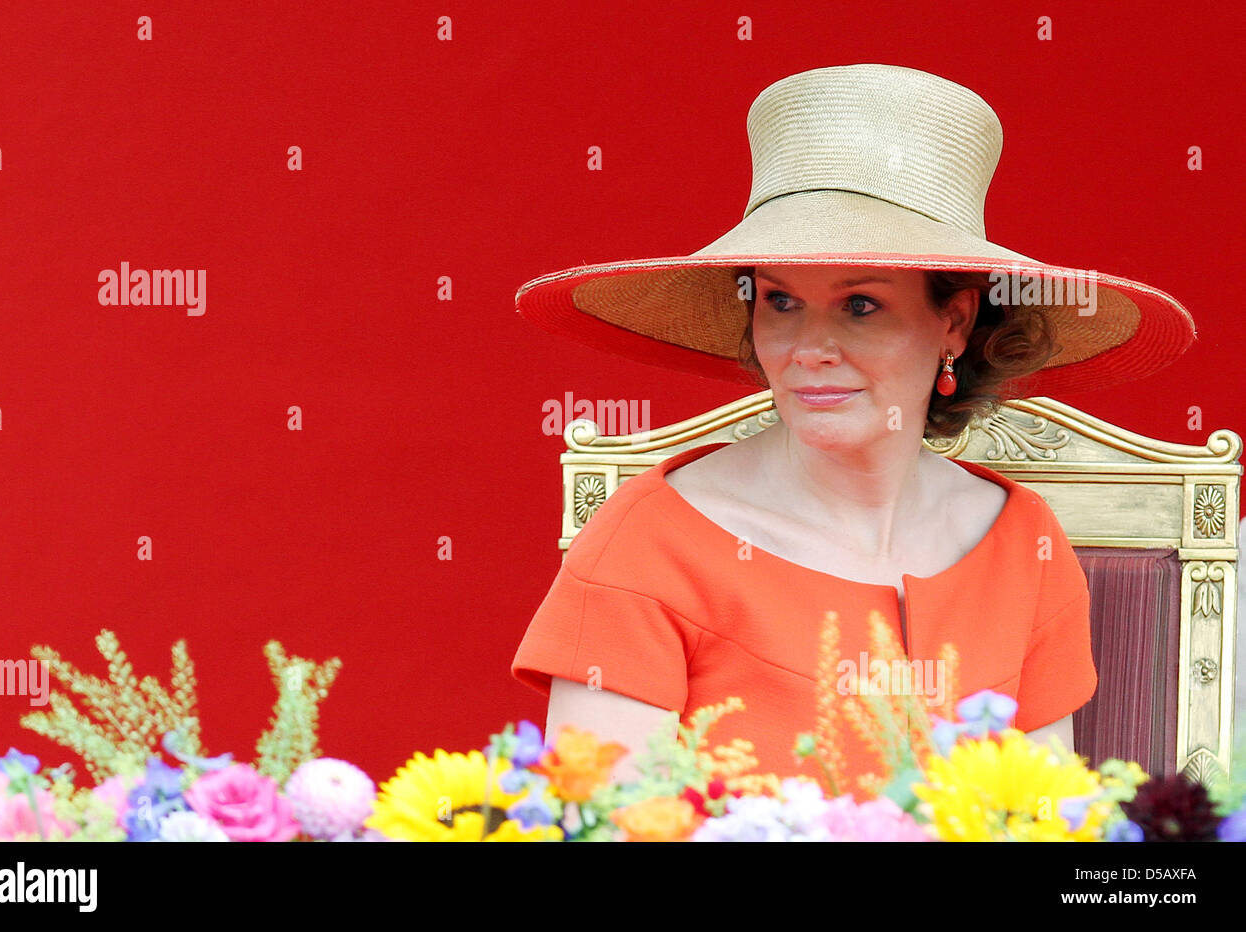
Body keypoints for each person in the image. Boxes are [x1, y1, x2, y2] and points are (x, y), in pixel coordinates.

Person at [509, 64, 1196, 795]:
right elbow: (602, 821)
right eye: (779, 301)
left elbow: (1050, 820)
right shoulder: (647, 544)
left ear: (954, 322)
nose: (809, 348)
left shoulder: (1023, 542)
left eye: (860, 305)